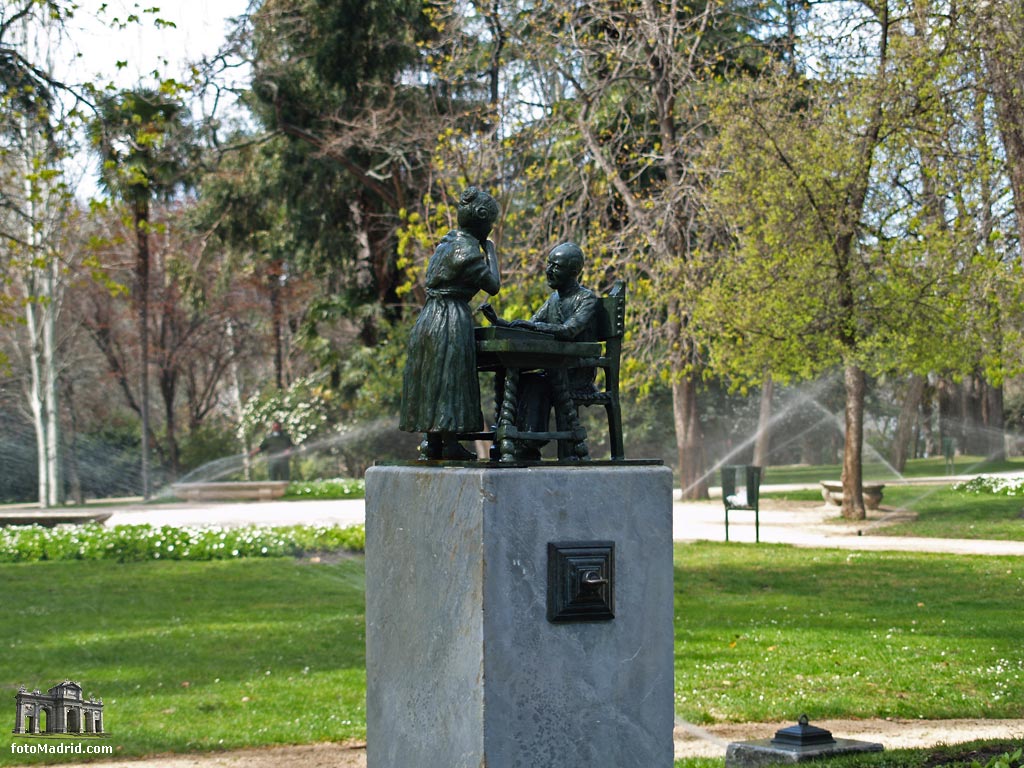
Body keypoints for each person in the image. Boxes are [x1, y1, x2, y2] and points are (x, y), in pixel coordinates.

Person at [399, 187, 501, 460]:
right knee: (450, 377)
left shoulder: (445, 244)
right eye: (490, 223)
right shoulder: (467, 250)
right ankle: (450, 442)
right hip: (450, 318)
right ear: (482, 220)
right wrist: (490, 250)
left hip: (429, 316)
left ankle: (433, 442)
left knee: (434, 377)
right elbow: (493, 286)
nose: (491, 229)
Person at [481, 242, 598, 459]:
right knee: (518, 380)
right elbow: (532, 324)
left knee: (537, 384)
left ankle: (528, 443)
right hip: (554, 367)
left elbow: (569, 330)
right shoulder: (553, 299)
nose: (549, 270)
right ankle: (516, 441)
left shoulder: (586, 299)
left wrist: (532, 326)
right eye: (548, 264)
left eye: (556, 266)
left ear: (573, 271)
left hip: (576, 371)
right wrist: (502, 323)